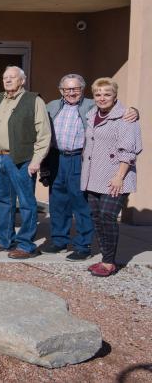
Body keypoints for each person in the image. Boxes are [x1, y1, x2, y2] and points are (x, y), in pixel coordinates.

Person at [41, 74, 138, 261]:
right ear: (61, 91)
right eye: (67, 89)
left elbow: (116, 109)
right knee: (57, 201)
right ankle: (59, 241)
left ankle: (82, 245)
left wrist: (135, 111)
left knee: (81, 203)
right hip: (56, 158)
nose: (71, 92)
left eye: (76, 89)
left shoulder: (92, 105)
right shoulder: (51, 106)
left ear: (82, 90)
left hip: (80, 158)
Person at [0, 66, 51, 259]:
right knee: (4, 201)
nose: (8, 80)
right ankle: (4, 240)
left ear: (22, 80)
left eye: (13, 77)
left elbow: (44, 134)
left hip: (21, 158)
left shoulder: (33, 100)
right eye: (5, 77)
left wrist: (36, 160)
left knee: (27, 203)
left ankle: (26, 244)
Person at [81, 78, 142, 277]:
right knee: (97, 218)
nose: (102, 98)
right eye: (98, 94)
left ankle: (109, 263)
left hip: (115, 177)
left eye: (107, 94)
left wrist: (119, 176)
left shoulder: (126, 117)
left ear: (115, 96)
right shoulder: (91, 114)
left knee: (108, 216)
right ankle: (105, 258)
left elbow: (129, 150)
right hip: (93, 176)